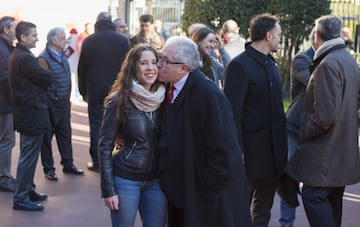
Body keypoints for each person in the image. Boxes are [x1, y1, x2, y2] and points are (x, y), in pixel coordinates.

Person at [157, 36, 253, 227]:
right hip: (184, 192)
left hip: (206, 199)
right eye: (160, 57)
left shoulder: (207, 95)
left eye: (165, 60)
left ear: (183, 68)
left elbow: (225, 151)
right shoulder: (171, 88)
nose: (158, 64)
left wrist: (204, 187)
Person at [286, 15, 360, 227]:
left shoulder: (328, 64)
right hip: (341, 148)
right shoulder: (347, 59)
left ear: (316, 35)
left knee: (313, 195)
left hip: (325, 152)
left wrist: (304, 132)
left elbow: (325, 116)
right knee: (332, 198)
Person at [223, 13, 288, 226]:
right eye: (278, 34)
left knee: (264, 209)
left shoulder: (271, 64)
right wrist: (237, 151)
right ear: (269, 35)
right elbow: (232, 113)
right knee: (239, 209)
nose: (280, 38)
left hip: (272, 154)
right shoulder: (239, 65)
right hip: (248, 156)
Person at [99, 43, 167, 227]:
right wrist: (108, 189)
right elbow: (104, 145)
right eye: (144, 63)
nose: (150, 68)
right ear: (133, 67)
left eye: (154, 62)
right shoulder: (119, 99)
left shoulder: (166, 97)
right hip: (126, 179)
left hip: (157, 181)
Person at [9, 21, 53, 211]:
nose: (37, 38)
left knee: (30, 156)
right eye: (34, 35)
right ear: (23, 37)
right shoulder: (25, 58)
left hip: (31, 113)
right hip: (31, 114)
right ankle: (21, 197)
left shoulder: (21, 55)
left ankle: (27, 190)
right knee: (28, 157)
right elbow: (47, 78)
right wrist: (45, 72)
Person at [78, 11, 130, 172]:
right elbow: (129, 67)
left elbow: (82, 69)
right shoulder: (122, 40)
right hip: (119, 90)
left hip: (95, 91)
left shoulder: (89, 41)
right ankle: (121, 158)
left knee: (96, 127)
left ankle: (98, 161)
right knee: (121, 124)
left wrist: (83, 91)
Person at [279, 28, 316, 227]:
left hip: (319, 128)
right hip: (295, 127)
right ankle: (287, 222)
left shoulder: (335, 58)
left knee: (315, 179)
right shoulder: (302, 58)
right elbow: (315, 81)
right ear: (317, 38)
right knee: (288, 177)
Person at [38, 27, 84, 181]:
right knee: (47, 138)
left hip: (64, 104)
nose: (66, 41)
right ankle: (49, 169)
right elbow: (43, 84)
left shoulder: (62, 55)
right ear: (54, 41)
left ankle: (68, 163)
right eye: (63, 38)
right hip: (51, 105)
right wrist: (53, 99)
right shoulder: (43, 59)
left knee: (65, 135)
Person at [0, 16, 17, 192]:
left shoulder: (5, 48)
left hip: (5, 102)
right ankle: (3, 177)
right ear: (6, 30)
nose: (16, 32)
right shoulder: (2, 49)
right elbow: (5, 78)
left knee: (6, 140)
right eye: (14, 28)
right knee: (6, 140)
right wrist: (17, 96)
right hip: (4, 103)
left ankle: (4, 175)